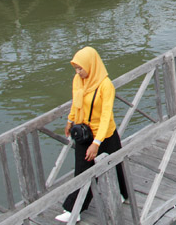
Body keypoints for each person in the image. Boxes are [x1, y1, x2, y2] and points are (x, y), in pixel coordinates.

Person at [57, 47, 128, 222]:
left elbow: (106, 116)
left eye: (80, 68)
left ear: (91, 64)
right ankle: (73, 209)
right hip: (84, 133)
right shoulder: (78, 80)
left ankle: (122, 193)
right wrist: (70, 120)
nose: (78, 72)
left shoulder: (106, 86)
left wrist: (97, 143)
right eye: (76, 68)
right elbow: (76, 102)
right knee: (82, 170)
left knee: (115, 164)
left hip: (105, 134)